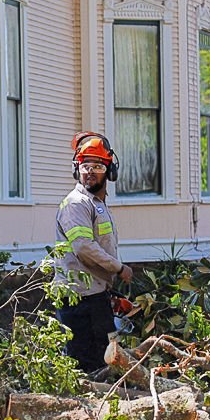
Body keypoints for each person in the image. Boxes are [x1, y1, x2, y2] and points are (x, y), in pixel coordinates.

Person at [53, 131, 133, 372]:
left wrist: (109, 287)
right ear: (77, 169)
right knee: (86, 363)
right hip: (78, 299)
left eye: (97, 166)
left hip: (95, 296)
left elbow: (101, 246)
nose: (90, 171)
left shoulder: (98, 205)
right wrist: (119, 268)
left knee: (107, 355)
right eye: (85, 165)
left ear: (109, 170)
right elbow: (84, 248)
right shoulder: (77, 203)